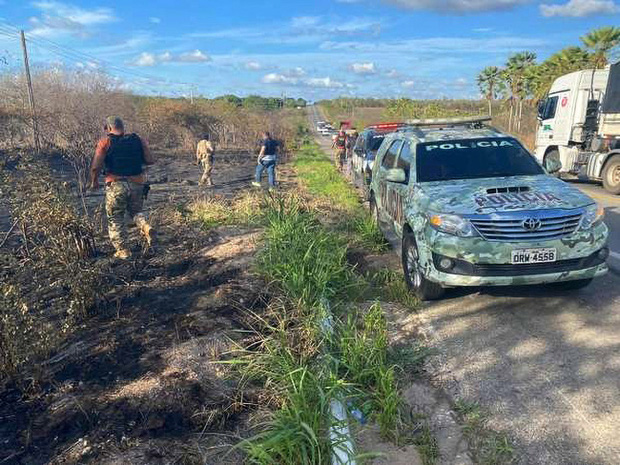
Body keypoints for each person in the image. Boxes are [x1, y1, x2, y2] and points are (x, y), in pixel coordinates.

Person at [89, 116, 155, 259]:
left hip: (116, 184)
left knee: (115, 218)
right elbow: (150, 160)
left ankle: (123, 250)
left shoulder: (105, 142)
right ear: (123, 127)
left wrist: (94, 181)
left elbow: (96, 166)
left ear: (108, 128)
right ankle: (144, 225)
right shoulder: (138, 140)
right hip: (137, 183)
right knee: (135, 212)